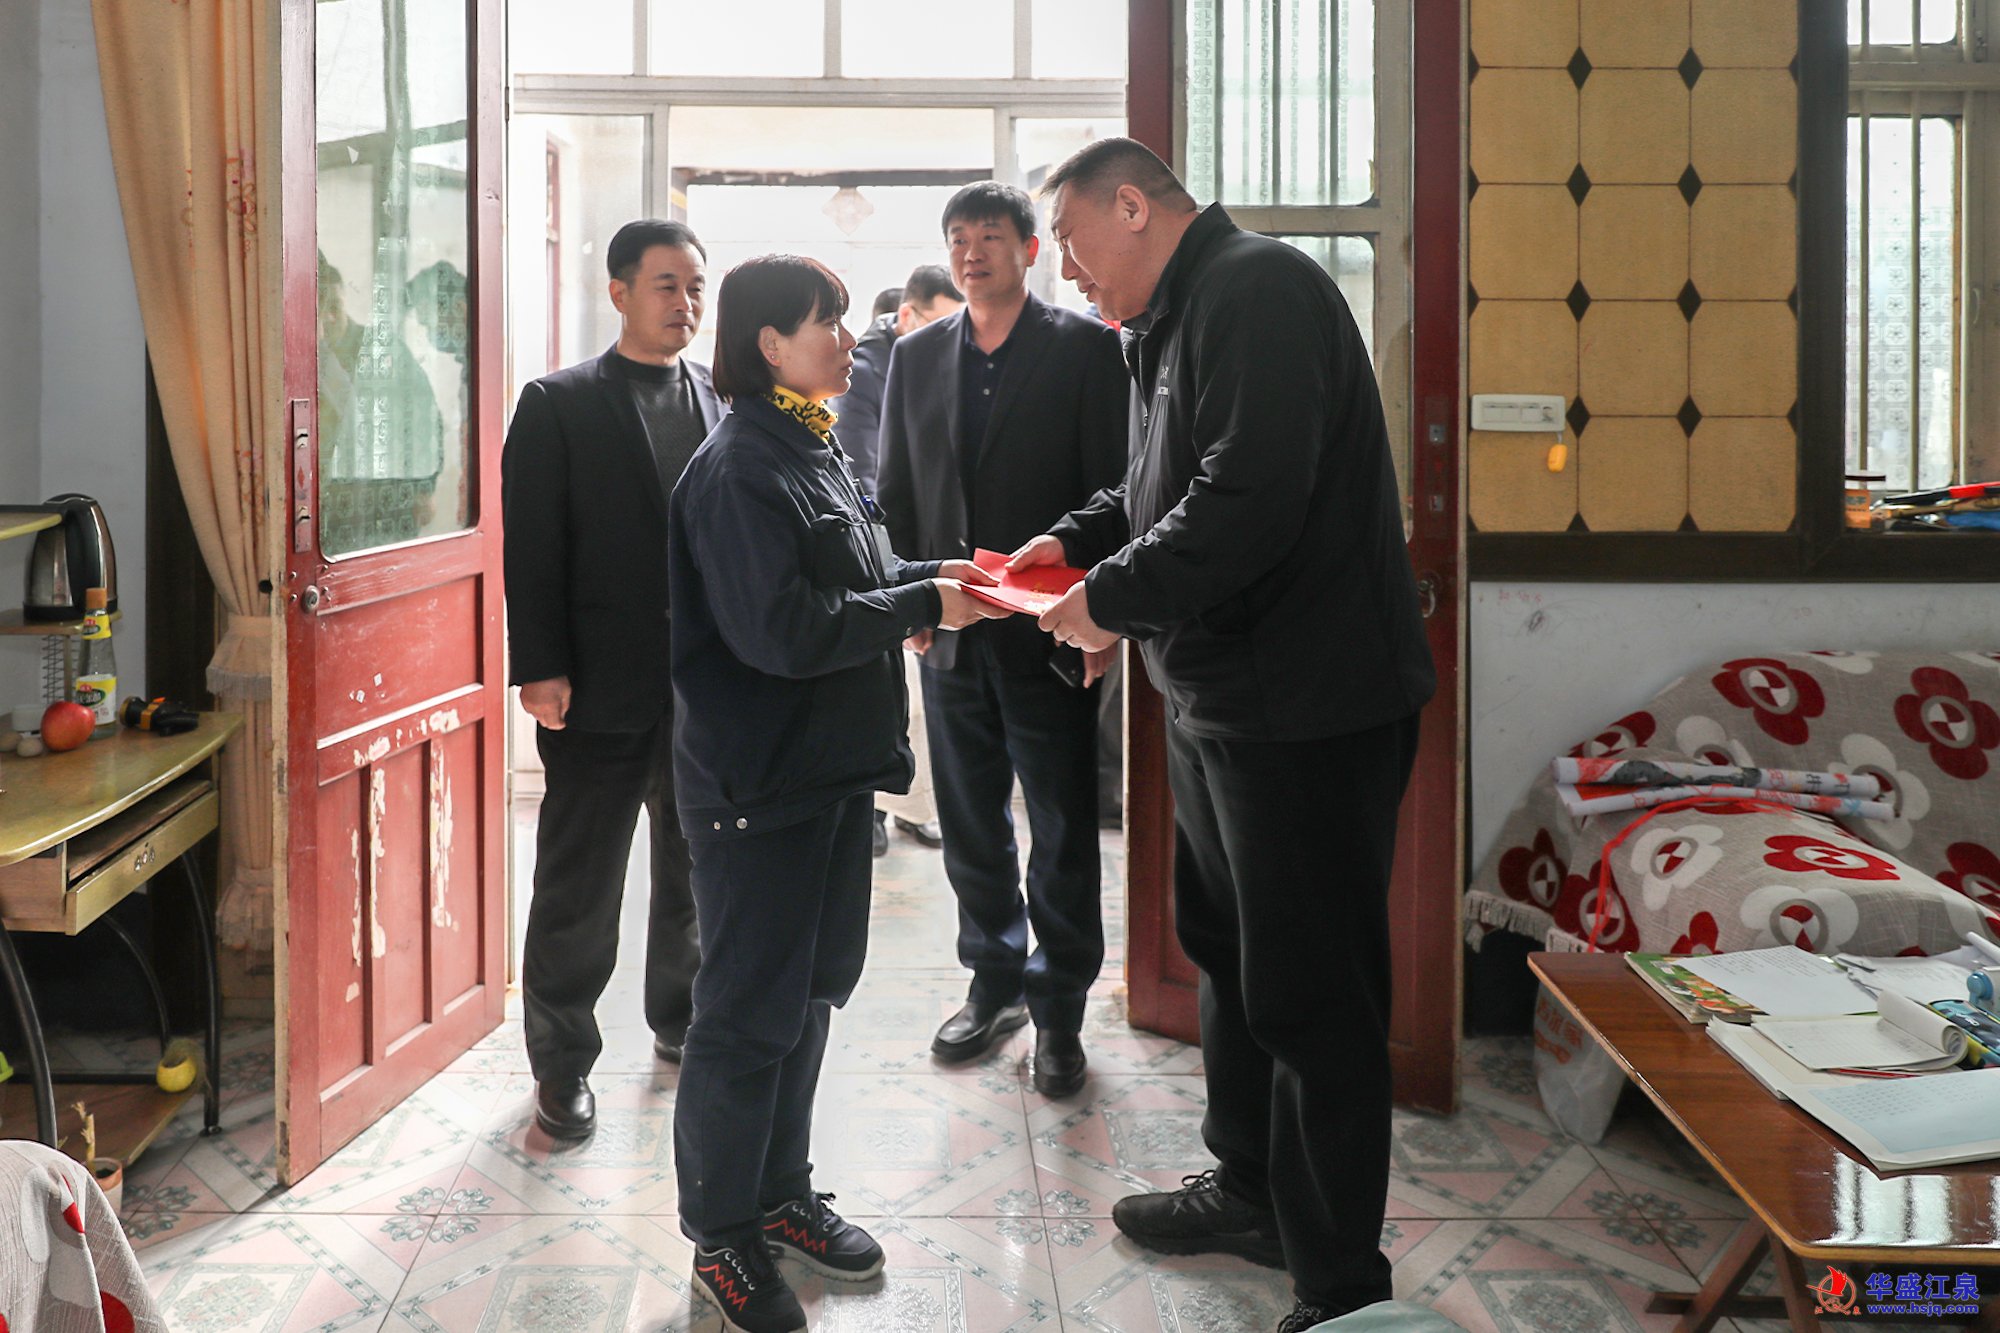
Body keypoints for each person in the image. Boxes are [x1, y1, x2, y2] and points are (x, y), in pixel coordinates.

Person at [1018, 138, 1437, 1333]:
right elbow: (1158, 487)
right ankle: (1250, 1190)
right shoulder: (1168, 321)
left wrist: (1107, 599)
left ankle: (1340, 1283)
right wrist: (1076, 542)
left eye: (1072, 244)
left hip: (1305, 711)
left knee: (1313, 995)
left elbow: (1247, 496)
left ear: (1132, 206)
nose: (1067, 273)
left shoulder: (1257, 288)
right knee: (1227, 955)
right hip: (1221, 702)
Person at [668, 253, 1012, 1333]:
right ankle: (721, 1237)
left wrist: (933, 581)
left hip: (824, 774)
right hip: (757, 784)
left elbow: (850, 580)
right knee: (743, 1017)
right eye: (826, 320)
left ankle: (779, 1194)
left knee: (809, 995)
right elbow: (780, 632)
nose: (848, 337)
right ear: (769, 343)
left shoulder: (808, 445)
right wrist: (922, 609)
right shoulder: (740, 468)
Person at [875, 182, 1128, 1096]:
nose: (972, 252)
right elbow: (896, 488)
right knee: (969, 820)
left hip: (1053, 628)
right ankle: (993, 981)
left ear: (1030, 248)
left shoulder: (1086, 347)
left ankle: (1059, 1010)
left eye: (990, 235)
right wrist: (911, 600)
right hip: (952, 627)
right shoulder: (917, 354)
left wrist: (1102, 616)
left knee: (1060, 824)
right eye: (958, 238)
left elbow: (1116, 485)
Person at [501, 219, 722, 1141]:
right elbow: (532, 547)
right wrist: (540, 668)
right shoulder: (558, 402)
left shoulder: (719, 397)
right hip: (596, 686)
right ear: (620, 291)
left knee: (693, 872)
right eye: (667, 285)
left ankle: (682, 1020)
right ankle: (561, 1063)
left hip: (702, 690)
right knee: (579, 884)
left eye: (697, 287)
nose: (686, 303)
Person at [830, 264, 966, 857]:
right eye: (939, 322)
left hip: (922, 547)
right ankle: (881, 807)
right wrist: (898, 557)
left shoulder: (935, 355)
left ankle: (908, 808)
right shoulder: (864, 369)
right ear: (908, 315)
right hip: (882, 545)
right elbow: (867, 467)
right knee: (894, 689)